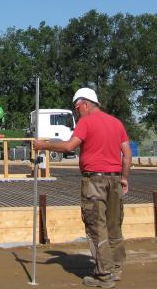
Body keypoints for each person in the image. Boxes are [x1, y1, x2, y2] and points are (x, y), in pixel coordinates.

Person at [34, 87, 131, 288]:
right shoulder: (116, 123)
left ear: (85, 104)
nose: (78, 112)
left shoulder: (86, 122)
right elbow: (127, 155)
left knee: (97, 227)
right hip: (115, 181)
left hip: (95, 182)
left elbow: (70, 146)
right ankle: (115, 270)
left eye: (78, 108)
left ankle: (104, 277)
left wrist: (44, 146)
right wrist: (124, 178)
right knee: (114, 227)